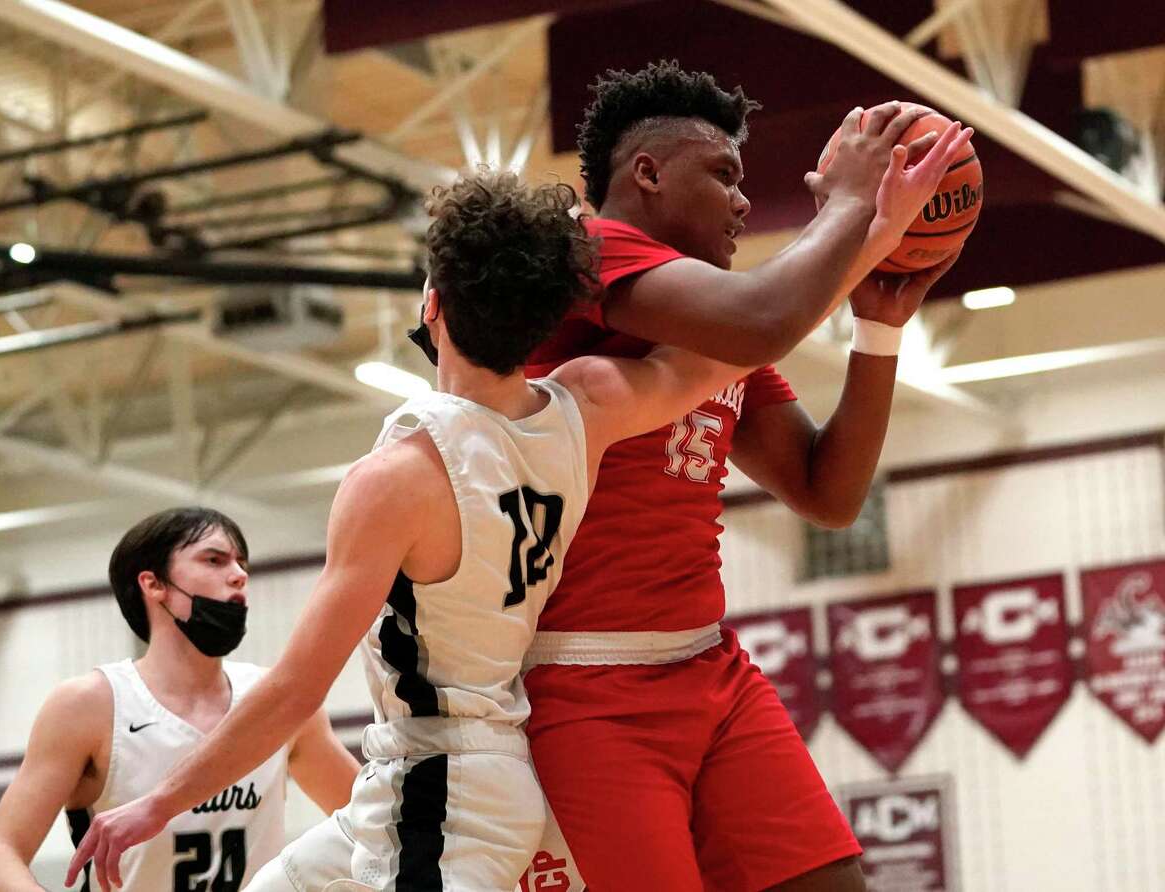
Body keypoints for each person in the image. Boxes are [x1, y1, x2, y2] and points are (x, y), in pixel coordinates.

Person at [55, 162, 926, 892]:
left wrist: (156, 805)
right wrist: (866, 246)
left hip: (447, 786)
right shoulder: (585, 407)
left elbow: (290, 693)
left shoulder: (397, 479)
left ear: (431, 304)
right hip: (417, 778)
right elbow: (738, 340)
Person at [518, 61, 972, 892]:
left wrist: (879, 326)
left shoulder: (718, 324)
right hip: (584, 688)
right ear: (647, 173)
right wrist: (847, 209)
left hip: (708, 669)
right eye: (723, 174)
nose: (743, 201)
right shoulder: (584, 251)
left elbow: (826, 492)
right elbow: (765, 316)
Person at [0, 507, 359, 892]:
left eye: (242, 564)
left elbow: (373, 822)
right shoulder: (89, 704)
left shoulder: (276, 704)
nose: (239, 575)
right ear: (154, 584)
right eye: (214, 559)